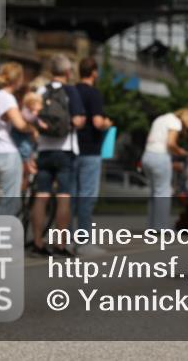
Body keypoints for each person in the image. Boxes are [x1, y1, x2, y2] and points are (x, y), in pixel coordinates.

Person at [30, 54, 86, 256]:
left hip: (44, 150)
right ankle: (60, 244)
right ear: (68, 72)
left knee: (41, 195)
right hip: (65, 150)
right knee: (63, 197)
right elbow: (79, 120)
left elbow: (31, 117)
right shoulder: (71, 91)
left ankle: (37, 242)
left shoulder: (42, 90)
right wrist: (70, 124)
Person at [0, 62, 40, 216]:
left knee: (2, 200)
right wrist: (33, 129)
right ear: (17, 79)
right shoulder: (7, 98)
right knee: (10, 203)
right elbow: (20, 124)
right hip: (8, 154)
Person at [74, 57, 112, 256]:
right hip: (90, 150)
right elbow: (97, 122)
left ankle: (63, 240)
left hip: (72, 149)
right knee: (87, 196)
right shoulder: (94, 94)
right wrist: (107, 123)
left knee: (70, 195)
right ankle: (84, 242)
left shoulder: (72, 91)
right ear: (94, 72)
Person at [142, 108, 188, 230]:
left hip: (147, 156)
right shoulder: (175, 122)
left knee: (154, 193)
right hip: (160, 156)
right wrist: (181, 152)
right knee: (163, 193)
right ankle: (161, 227)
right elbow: (170, 143)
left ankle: (152, 226)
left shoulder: (160, 119)